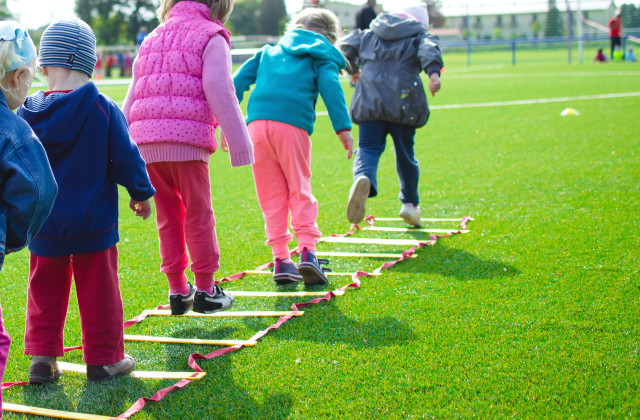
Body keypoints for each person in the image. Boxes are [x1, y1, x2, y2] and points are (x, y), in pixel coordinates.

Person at [17, 18, 156, 384]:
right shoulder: (103, 108)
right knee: (100, 291)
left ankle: (42, 359)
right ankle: (104, 359)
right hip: (94, 223)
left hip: (44, 224)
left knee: (44, 289)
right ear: (91, 63)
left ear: (44, 66)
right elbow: (126, 157)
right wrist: (141, 193)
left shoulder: (25, 113)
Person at [123, 0, 254, 315]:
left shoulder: (151, 38)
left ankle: (178, 290)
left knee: (168, 217)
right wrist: (240, 142)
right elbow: (218, 86)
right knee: (199, 214)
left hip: (147, 146)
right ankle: (207, 290)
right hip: (187, 142)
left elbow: (134, 92)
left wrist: (122, 150)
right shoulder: (212, 35)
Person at [233, 7, 353, 286]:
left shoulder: (267, 52)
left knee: (270, 195)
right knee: (299, 188)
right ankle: (308, 253)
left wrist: (226, 122)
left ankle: (281, 260)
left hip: (256, 128)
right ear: (330, 36)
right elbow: (330, 87)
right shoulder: (321, 56)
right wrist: (343, 128)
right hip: (291, 126)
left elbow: (235, 83)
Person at [341, 2, 443, 228]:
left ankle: (362, 176)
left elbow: (346, 47)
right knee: (405, 152)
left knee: (367, 147)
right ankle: (409, 204)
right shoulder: (418, 34)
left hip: (369, 98)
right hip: (403, 101)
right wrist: (433, 73)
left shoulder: (371, 31)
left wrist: (354, 70)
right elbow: (429, 48)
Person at [0, 21, 57, 407]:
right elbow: (39, 191)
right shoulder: (13, 130)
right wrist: (14, 236)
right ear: (17, 75)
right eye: (30, 77)